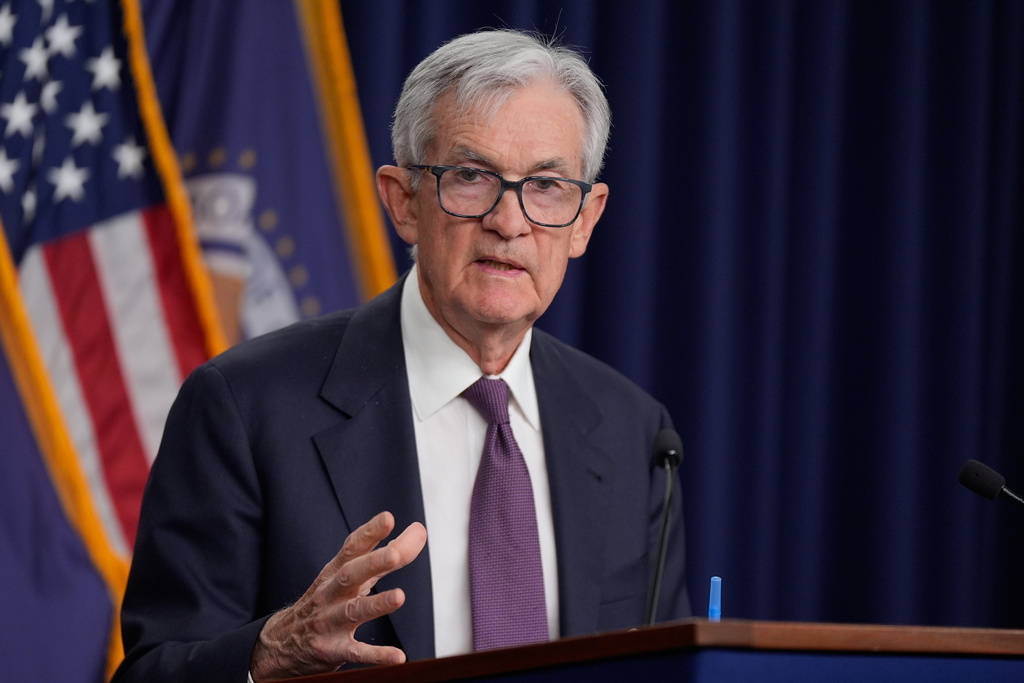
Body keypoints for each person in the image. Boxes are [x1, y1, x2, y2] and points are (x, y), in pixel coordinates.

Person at [114, 28, 690, 683]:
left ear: (585, 218)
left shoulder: (632, 432)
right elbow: (149, 672)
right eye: (472, 176)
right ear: (403, 201)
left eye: (547, 186)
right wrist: (269, 652)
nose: (510, 220)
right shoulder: (244, 407)